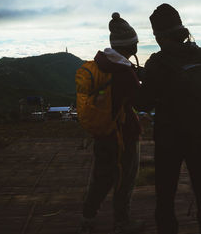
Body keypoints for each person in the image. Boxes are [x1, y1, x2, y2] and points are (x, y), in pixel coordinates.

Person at [137, 4, 201, 234]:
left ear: (159, 36)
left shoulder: (157, 63)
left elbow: (142, 103)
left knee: (166, 197)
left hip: (168, 139)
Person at [77, 13, 145, 234]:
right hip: (123, 134)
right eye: (135, 42)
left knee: (101, 177)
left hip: (103, 131)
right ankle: (122, 222)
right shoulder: (124, 72)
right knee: (125, 179)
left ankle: (88, 216)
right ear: (130, 45)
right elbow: (142, 101)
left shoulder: (104, 64)